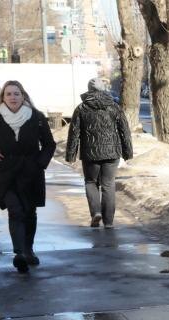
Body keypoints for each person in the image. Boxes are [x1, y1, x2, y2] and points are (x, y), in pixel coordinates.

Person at [0, 80, 57, 273]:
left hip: (31, 172)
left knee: (29, 212)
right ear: (3, 97)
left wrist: (40, 163)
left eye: (16, 94)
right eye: (8, 94)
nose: (12, 97)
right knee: (15, 211)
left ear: (23, 96)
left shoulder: (37, 117)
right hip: (6, 172)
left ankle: (28, 249)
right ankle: (19, 253)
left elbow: (49, 144)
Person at [65, 77, 133, 229]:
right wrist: (127, 152)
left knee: (91, 182)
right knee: (108, 184)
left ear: (89, 89)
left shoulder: (81, 108)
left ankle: (96, 212)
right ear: (104, 89)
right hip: (112, 152)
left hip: (90, 153)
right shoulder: (114, 107)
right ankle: (108, 222)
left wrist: (70, 154)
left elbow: (74, 133)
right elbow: (125, 131)